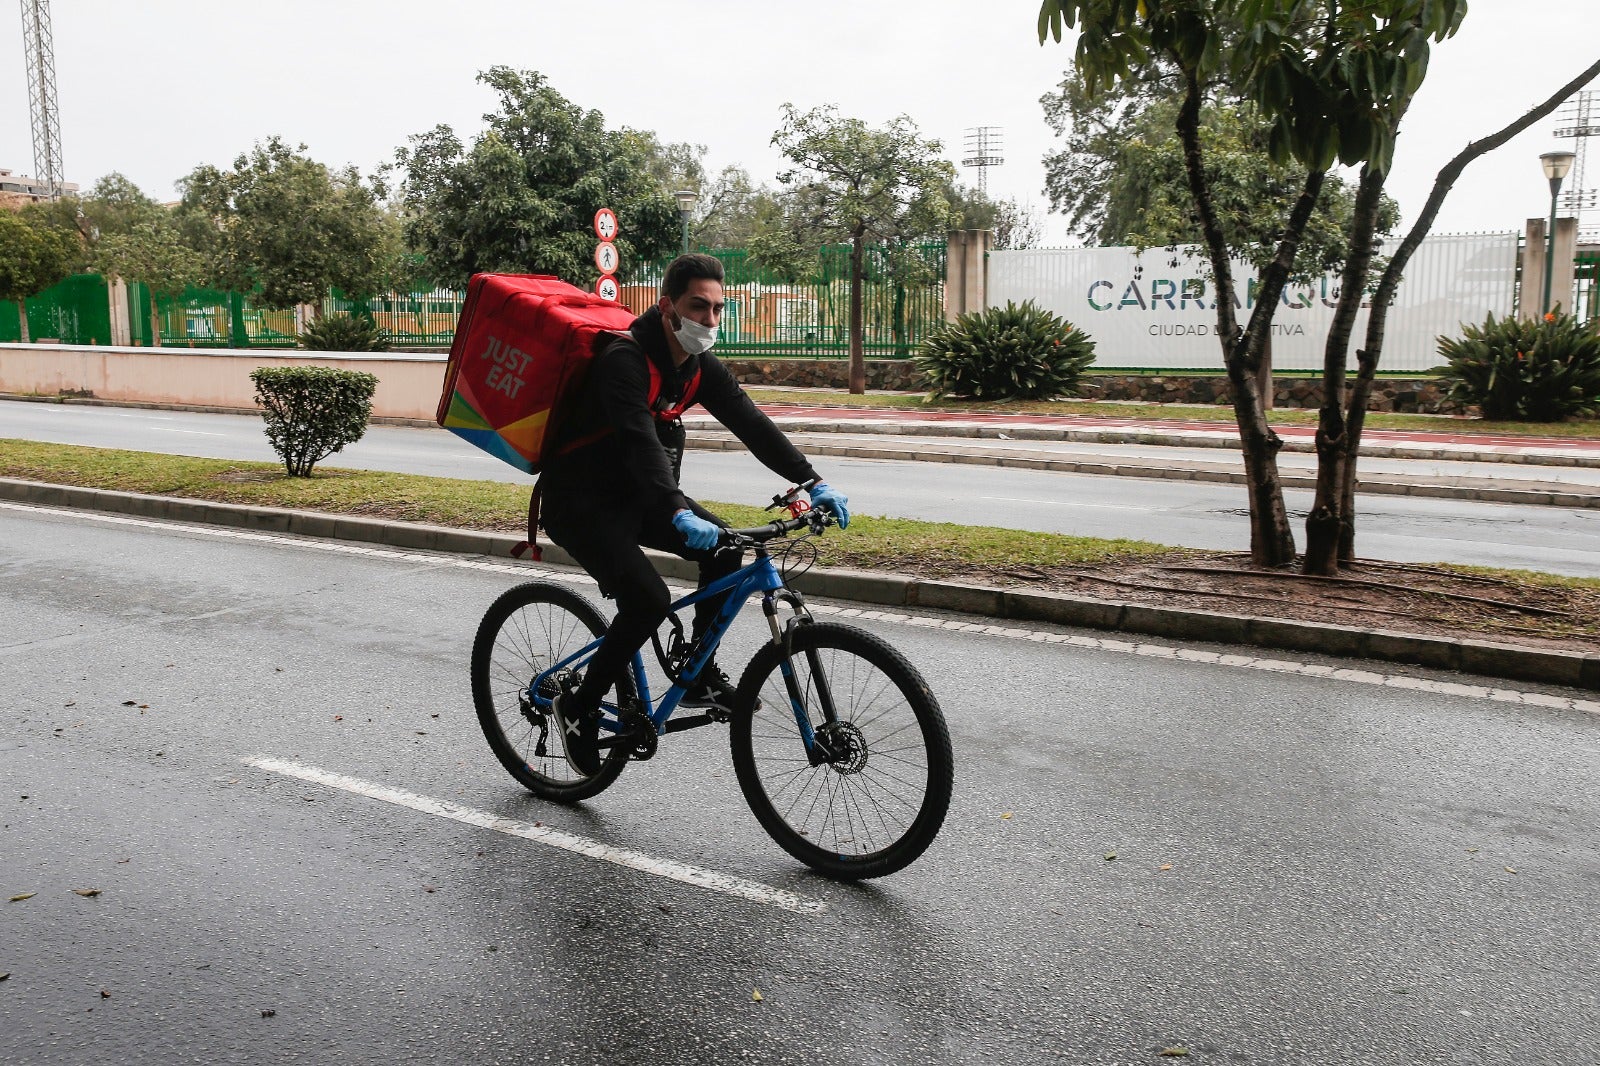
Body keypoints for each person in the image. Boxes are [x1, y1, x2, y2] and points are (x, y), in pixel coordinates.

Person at [537, 253, 849, 776]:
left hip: (638, 497)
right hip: (581, 502)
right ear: (667, 308)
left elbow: (750, 422)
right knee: (648, 600)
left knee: (729, 553)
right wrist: (677, 510)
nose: (709, 320)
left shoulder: (698, 368)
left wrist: (809, 480)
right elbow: (639, 442)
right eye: (698, 307)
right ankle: (579, 706)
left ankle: (694, 676)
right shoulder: (625, 361)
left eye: (718, 309)